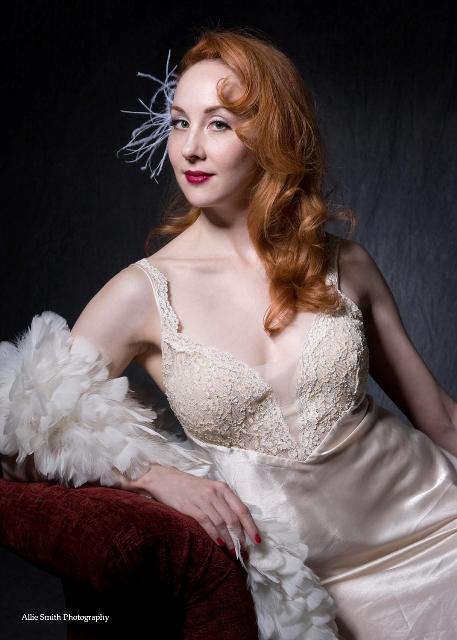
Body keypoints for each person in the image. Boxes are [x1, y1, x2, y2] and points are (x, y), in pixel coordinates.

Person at [1, 27, 457, 640]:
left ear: (273, 135)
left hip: (441, 526)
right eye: (178, 123)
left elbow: (441, 420)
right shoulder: (142, 292)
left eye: (218, 124)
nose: (189, 148)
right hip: (317, 590)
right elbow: (22, 436)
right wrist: (153, 477)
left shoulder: (346, 263)